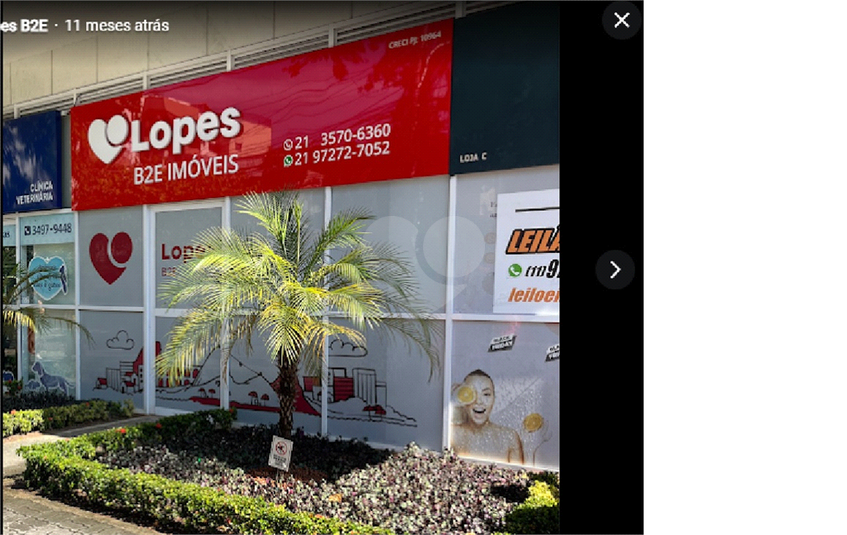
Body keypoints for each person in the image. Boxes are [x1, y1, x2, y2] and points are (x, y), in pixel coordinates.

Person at [450, 369, 524, 465]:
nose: (479, 401)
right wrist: (453, 401)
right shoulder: (452, 434)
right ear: (463, 399)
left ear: (494, 399)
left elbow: (520, 472)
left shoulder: (509, 438)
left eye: (486, 394)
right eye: (472, 394)